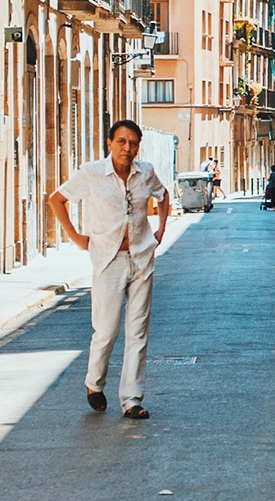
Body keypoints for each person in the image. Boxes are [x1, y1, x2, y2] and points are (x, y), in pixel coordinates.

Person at [47, 119, 169, 420]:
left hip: (141, 257)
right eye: (122, 142)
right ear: (109, 143)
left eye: (133, 143)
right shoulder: (92, 173)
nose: (127, 148)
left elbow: (163, 196)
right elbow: (56, 199)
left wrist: (161, 230)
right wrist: (76, 238)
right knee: (107, 330)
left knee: (138, 333)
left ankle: (132, 400)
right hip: (107, 260)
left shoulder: (146, 173)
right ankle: (94, 383)